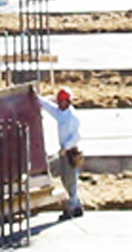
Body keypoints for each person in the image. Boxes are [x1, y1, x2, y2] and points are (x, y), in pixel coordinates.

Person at [37, 86, 83, 219]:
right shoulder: (61, 113)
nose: (58, 104)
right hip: (64, 152)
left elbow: (77, 136)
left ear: (67, 102)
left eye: (61, 101)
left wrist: (66, 147)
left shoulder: (72, 117)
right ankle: (77, 205)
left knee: (71, 180)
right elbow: (49, 107)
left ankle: (73, 207)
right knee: (66, 179)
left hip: (71, 152)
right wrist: (37, 98)